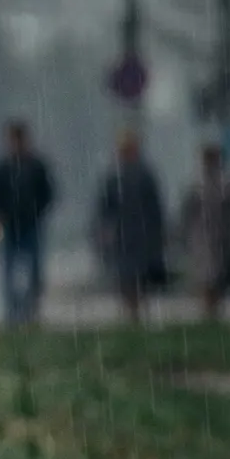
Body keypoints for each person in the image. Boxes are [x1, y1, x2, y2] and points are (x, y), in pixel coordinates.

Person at [0, 119, 57, 326]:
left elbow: (47, 193)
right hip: (9, 225)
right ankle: (12, 310)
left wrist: (37, 212)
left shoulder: (35, 166)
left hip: (31, 224)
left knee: (33, 268)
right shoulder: (2, 168)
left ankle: (29, 307)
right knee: (8, 269)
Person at [94, 128, 167, 325]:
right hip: (123, 236)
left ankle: (136, 312)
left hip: (140, 235)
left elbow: (155, 207)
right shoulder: (113, 177)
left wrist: (157, 233)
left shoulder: (144, 175)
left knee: (139, 276)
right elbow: (104, 209)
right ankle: (130, 312)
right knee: (125, 276)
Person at [179, 143, 230, 321]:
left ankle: (213, 311)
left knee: (216, 278)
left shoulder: (225, 185)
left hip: (219, 239)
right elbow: (187, 215)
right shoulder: (197, 186)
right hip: (202, 239)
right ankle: (209, 311)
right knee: (207, 277)